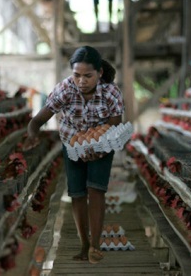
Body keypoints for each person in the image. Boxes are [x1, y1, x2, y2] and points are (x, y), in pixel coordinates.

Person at [27, 45, 124, 264]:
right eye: (77, 75)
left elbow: (114, 126)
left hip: (102, 146)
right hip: (72, 145)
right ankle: (84, 244)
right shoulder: (65, 90)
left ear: (99, 73)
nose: (81, 81)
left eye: (88, 76)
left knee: (96, 190)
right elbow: (37, 121)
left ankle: (96, 245)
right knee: (78, 194)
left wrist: (98, 147)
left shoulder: (110, 92)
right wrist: (32, 135)